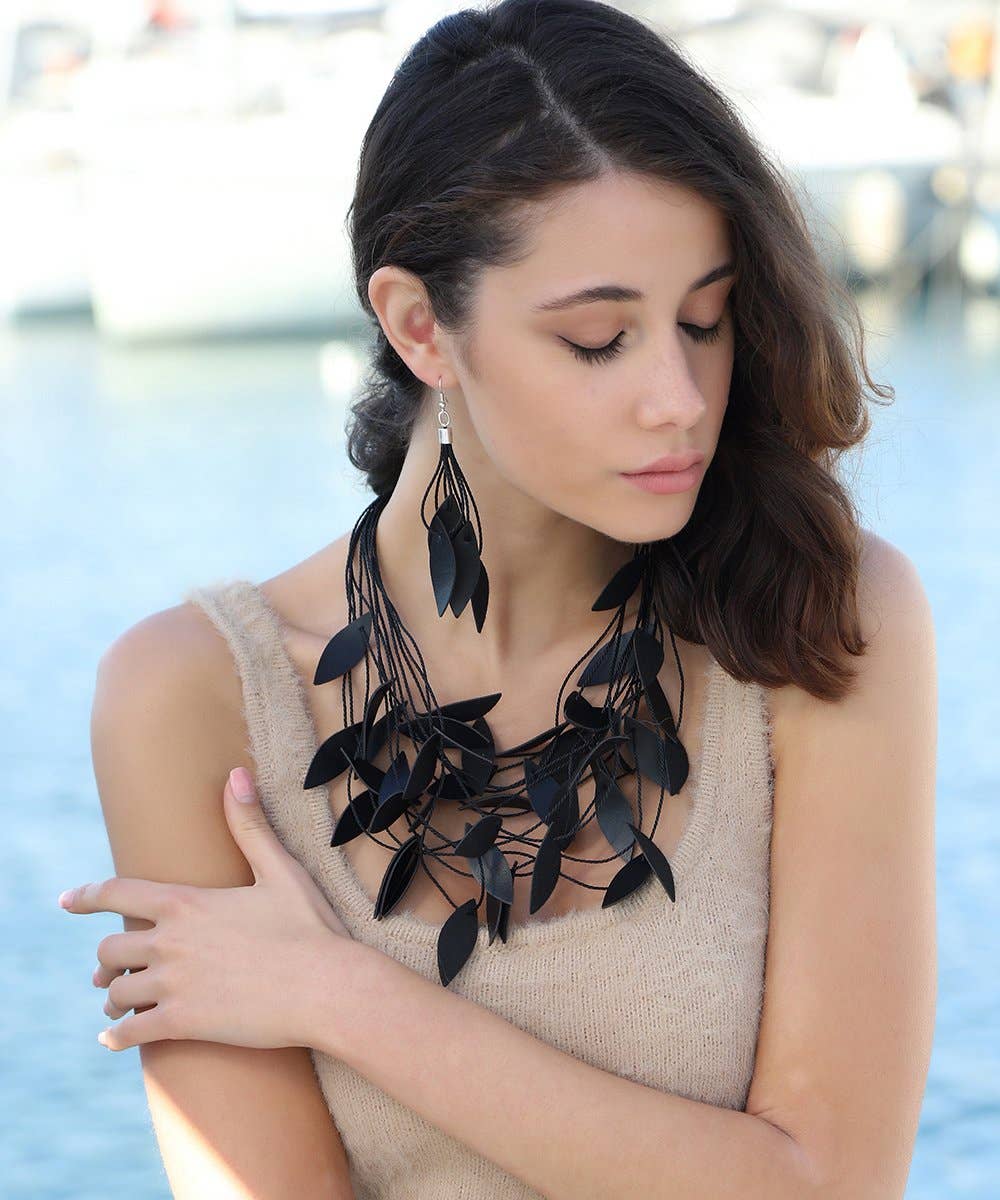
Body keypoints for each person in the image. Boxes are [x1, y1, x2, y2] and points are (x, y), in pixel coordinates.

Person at [75, 1, 937, 1196]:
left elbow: (831, 1186)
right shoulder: (197, 697)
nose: (680, 398)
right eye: (599, 340)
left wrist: (342, 997)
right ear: (419, 325)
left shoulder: (810, 616)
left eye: (705, 319)